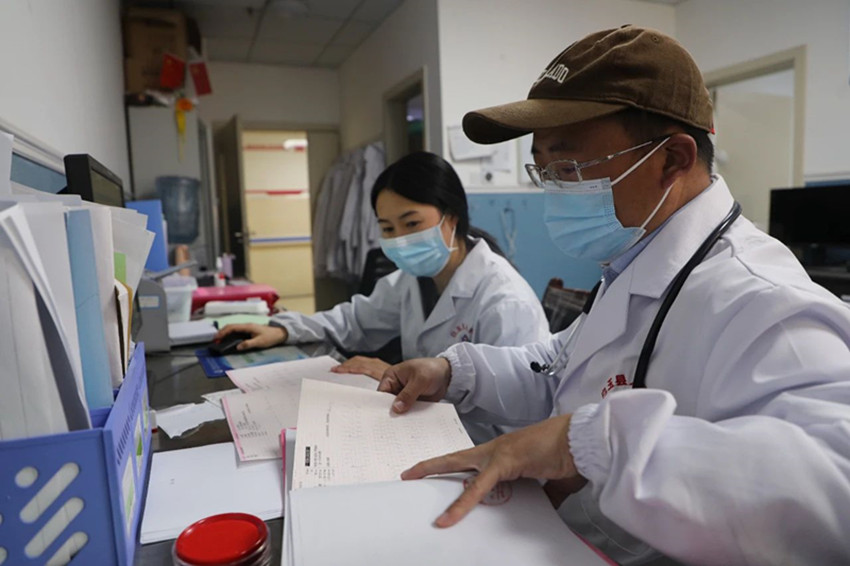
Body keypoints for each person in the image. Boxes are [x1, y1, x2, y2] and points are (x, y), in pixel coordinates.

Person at [379, 26, 850, 565]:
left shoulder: (761, 300)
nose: (554, 188)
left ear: (673, 158)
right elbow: (562, 367)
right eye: (542, 169)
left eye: (569, 168)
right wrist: (456, 372)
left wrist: (592, 443)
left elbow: (836, 484)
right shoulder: (636, 257)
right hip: (566, 537)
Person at [215, 150, 548, 381]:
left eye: (412, 223)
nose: (400, 239)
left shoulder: (504, 303)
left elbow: (512, 416)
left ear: (452, 217)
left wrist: (398, 379)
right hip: (429, 427)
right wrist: (284, 329)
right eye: (387, 228)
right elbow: (355, 320)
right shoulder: (413, 280)